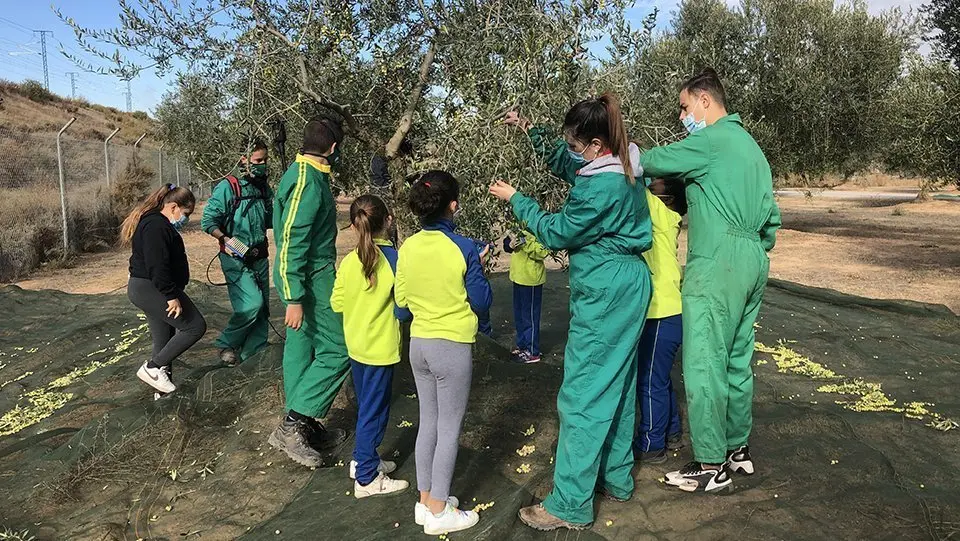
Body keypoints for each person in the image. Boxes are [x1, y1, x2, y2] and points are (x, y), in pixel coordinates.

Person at [491, 93, 653, 531]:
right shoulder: (623, 164)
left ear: (596, 144)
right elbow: (567, 165)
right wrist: (528, 129)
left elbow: (556, 231)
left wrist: (517, 200)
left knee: (582, 395)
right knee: (617, 382)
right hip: (629, 284)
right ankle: (615, 477)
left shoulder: (602, 186)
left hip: (606, 290)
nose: (572, 150)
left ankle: (569, 504)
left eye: (576, 143)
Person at [638, 68, 781, 493]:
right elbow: (772, 221)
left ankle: (708, 463)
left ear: (704, 100)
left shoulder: (711, 140)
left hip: (716, 260)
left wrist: (620, 152)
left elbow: (654, 161)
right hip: (753, 258)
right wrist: (751, 251)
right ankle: (738, 451)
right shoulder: (753, 150)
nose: (684, 116)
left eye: (685, 106)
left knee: (704, 361)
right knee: (738, 361)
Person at [395, 170, 492, 536]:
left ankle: (426, 501)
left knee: (429, 423)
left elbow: (401, 306)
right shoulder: (464, 248)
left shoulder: (408, 248)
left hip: (418, 345)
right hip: (450, 346)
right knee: (450, 428)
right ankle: (439, 511)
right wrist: (478, 268)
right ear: (453, 205)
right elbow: (481, 303)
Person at [269, 118, 350, 468]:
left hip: (306, 277)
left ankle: (303, 423)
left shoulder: (305, 173)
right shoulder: (306, 182)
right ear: (332, 148)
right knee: (339, 348)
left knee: (301, 350)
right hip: (308, 279)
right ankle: (293, 424)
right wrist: (294, 297)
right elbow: (290, 242)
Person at [331, 194, 412, 498]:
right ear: (388, 220)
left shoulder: (350, 261)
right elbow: (403, 307)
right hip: (380, 349)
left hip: (356, 346)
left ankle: (364, 460)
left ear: (354, 226)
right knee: (374, 413)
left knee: (366, 406)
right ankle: (365, 478)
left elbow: (337, 302)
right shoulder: (394, 260)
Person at [122, 184, 207, 395]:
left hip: (149, 288)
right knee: (195, 327)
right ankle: (152, 368)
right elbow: (156, 265)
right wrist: (171, 295)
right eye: (185, 213)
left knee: (164, 339)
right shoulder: (155, 226)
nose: (186, 219)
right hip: (151, 288)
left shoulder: (158, 224)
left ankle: (161, 391)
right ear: (173, 207)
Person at [201, 139, 274, 366]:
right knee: (251, 305)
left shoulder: (263, 188)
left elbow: (271, 219)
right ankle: (227, 343)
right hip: (236, 259)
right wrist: (226, 240)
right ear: (244, 159)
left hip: (260, 256)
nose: (263, 164)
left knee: (263, 311)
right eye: (258, 160)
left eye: (265, 160)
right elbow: (208, 221)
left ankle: (253, 354)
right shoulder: (228, 187)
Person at [634, 178, 687, 463]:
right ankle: (672, 431)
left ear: (668, 196)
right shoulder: (669, 218)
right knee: (660, 377)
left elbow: (630, 182)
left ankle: (652, 444)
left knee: (649, 380)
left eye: (656, 184)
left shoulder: (661, 213)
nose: (651, 183)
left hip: (660, 311)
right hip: (669, 310)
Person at [503, 228, 549, 363]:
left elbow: (543, 252)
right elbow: (507, 245)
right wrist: (509, 245)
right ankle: (522, 346)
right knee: (519, 315)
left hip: (531, 279)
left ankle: (533, 351)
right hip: (518, 277)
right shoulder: (518, 226)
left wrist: (525, 243)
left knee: (530, 317)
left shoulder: (540, 227)